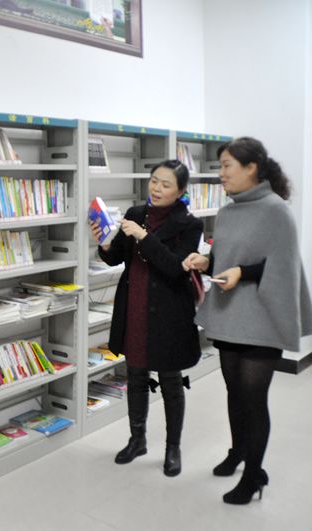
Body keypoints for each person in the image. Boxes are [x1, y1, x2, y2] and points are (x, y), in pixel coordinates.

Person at [182, 137, 312, 504]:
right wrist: (206, 261)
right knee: (235, 392)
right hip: (230, 315)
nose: (221, 173)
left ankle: (254, 475)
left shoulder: (276, 211)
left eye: (227, 166)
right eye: (220, 166)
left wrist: (242, 271)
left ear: (251, 167)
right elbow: (225, 257)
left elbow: (283, 266)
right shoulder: (228, 212)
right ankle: (238, 451)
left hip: (263, 318)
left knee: (254, 399)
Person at [91, 159, 203, 477]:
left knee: (170, 381)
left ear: (180, 191)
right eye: (154, 180)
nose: (156, 188)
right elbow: (116, 257)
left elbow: (175, 267)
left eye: (166, 184)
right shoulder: (135, 213)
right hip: (135, 307)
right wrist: (104, 242)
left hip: (169, 313)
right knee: (136, 376)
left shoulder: (189, 224)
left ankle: (172, 448)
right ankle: (137, 440)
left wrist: (143, 236)